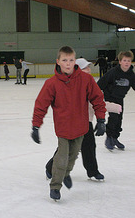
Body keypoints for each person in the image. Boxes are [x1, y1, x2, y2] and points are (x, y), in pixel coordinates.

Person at [31, 46, 106, 201]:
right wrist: (36, 126)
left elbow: (97, 99)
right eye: (64, 60)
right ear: (58, 62)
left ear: (75, 61)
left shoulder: (86, 80)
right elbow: (41, 105)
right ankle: (55, 187)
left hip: (81, 127)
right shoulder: (51, 84)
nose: (68, 63)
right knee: (62, 158)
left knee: (72, 156)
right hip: (63, 128)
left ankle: (65, 174)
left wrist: (100, 119)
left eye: (71, 60)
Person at [45, 58, 122, 182]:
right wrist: (114, 107)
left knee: (89, 147)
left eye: (88, 67)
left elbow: (98, 102)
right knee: (66, 150)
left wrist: (106, 114)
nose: (89, 70)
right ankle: (50, 168)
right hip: (71, 124)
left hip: (86, 123)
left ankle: (93, 171)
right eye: (85, 68)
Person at [97, 51, 135, 151]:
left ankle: (115, 138)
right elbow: (100, 83)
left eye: (129, 61)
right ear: (120, 61)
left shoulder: (131, 74)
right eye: (124, 60)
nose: (127, 63)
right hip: (110, 97)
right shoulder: (113, 72)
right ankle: (109, 138)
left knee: (119, 119)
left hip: (120, 98)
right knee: (114, 117)